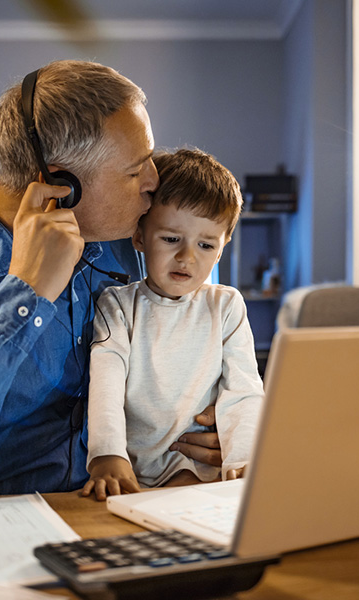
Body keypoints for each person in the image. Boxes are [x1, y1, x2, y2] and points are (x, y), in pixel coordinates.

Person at [0, 60, 222, 503]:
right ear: (60, 182)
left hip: (122, 506)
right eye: (134, 170)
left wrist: (214, 416)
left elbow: (179, 340)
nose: (153, 182)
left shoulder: (127, 241)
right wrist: (24, 292)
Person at [81, 148, 264, 501]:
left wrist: (245, 456)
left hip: (208, 479)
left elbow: (243, 391)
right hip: (136, 477)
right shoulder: (118, 305)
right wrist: (107, 455)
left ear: (221, 249)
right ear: (139, 237)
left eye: (206, 244)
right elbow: (106, 384)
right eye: (170, 239)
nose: (187, 257)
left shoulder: (226, 306)